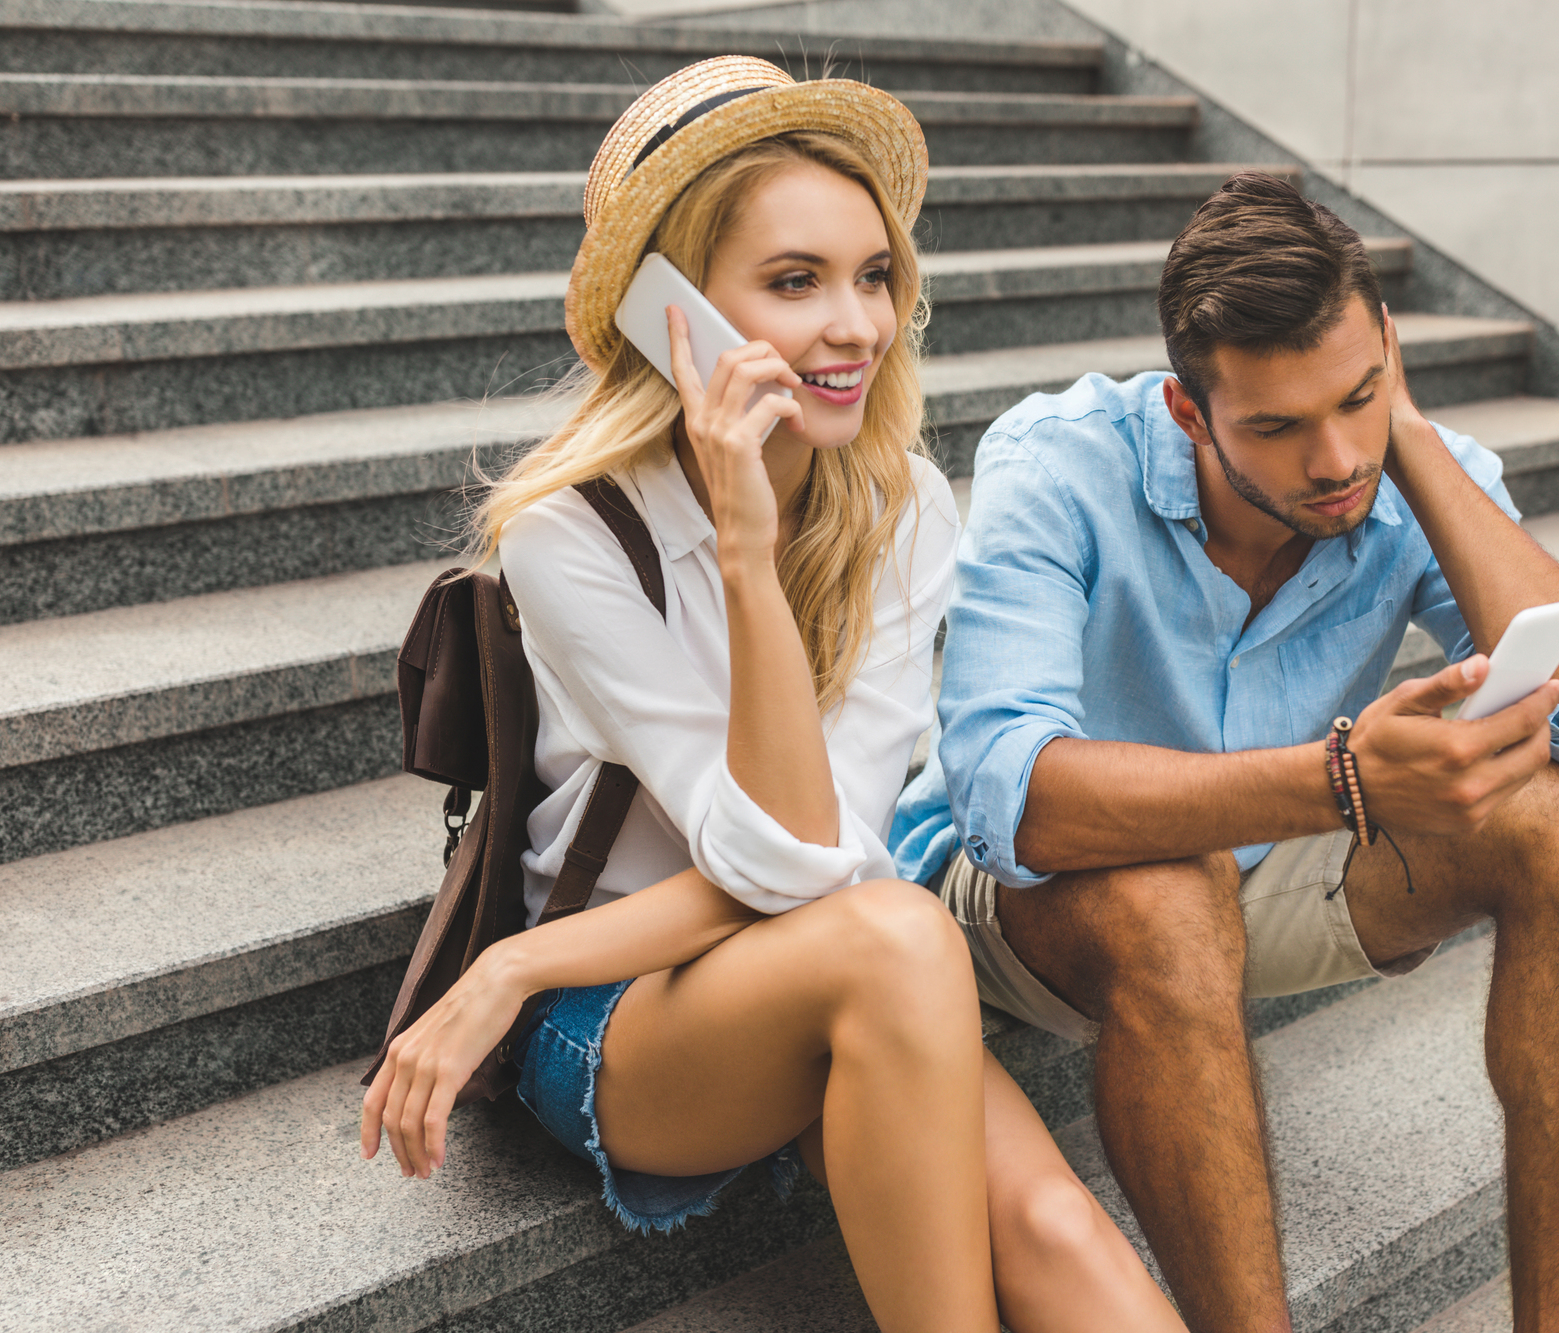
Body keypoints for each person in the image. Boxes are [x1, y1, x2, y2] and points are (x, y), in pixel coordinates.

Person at [360, 58, 1184, 1333]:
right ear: (670, 312)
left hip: (838, 959)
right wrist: (743, 549)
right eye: (793, 282)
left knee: (1051, 1220)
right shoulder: (567, 536)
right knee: (899, 932)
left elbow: (821, 861)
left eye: (872, 275)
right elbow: (796, 859)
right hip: (620, 1010)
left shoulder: (900, 504)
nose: (855, 325)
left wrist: (507, 961)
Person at [893, 171, 1559, 1333]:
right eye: (1278, 426)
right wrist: (1339, 779)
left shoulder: (1400, 467)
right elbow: (1007, 797)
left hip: (1263, 872)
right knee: (1167, 884)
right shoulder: (1056, 464)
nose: (1334, 458)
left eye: (1355, 396)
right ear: (1188, 413)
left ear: (1387, 348)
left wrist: (1405, 439)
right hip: (1013, 908)